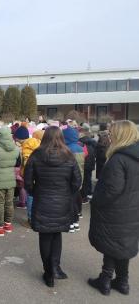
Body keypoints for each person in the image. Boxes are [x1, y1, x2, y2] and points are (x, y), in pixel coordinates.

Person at [24, 126, 82, 288]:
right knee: (56, 234)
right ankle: (55, 268)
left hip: (43, 200)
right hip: (62, 202)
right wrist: (66, 194)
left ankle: (49, 272)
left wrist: (36, 192)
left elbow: (27, 181)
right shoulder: (69, 156)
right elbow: (77, 182)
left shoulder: (36, 155)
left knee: (45, 235)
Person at [88, 120, 139, 296]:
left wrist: (96, 201)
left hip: (115, 211)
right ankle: (122, 281)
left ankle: (106, 279)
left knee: (112, 244)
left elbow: (111, 190)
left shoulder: (119, 159)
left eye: (112, 133)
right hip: (132, 210)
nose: (109, 136)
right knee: (122, 245)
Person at [62, 126, 85, 232]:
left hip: (69, 180)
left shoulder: (66, 149)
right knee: (76, 200)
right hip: (79, 178)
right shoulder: (81, 148)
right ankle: (76, 222)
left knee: (69, 202)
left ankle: (70, 223)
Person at [20, 130, 43, 228]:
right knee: (38, 196)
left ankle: (30, 219)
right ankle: (38, 217)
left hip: (28, 175)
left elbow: (24, 162)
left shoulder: (26, 147)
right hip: (40, 175)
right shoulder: (42, 147)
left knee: (30, 196)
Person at [79, 124, 97, 203]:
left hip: (83, 163)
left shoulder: (80, 142)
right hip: (90, 163)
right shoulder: (93, 142)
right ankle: (88, 194)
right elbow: (95, 153)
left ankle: (83, 195)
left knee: (82, 179)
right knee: (88, 179)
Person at [13, 124, 30, 209]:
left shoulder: (22, 147)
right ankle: (25, 201)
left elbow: (21, 160)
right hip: (29, 170)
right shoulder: (31, 144)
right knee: (25, 186)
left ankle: (23, 203)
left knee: (22, 186)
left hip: (22, 170)